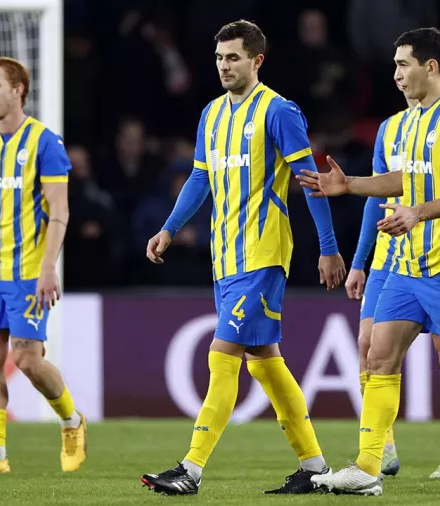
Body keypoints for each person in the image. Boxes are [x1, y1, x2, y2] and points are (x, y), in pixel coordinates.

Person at [301, 28, 440, 498]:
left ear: (431, 66)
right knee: (378, 357)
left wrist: (418, 212)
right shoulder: (402, 123)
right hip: (404, 262)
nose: (395, 75)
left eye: (403, 65)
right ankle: (367, 467)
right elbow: (404, 179)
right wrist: (351, 185)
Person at [141, 20, 347, 496]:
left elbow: (308, 181)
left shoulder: (279, 111)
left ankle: (189, 471)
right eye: (219, 58)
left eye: (233, 57)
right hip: (224, 257)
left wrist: (329, 247)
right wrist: (169, 229)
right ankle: (315, 467)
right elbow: (200, 180)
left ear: (257, 60)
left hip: (263, 252)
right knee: (265, 361)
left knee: (222, 358)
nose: (224, 66)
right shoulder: (211, 115)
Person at [0, 57, 86, 474]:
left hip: (27, 271)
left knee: (27, 359)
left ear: (18, 90)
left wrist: (49, 267)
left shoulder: (46, 143)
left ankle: (71, 421)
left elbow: (60, 211)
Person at [346, 93, 440, 481]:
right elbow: (376, 198)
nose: (399, 76)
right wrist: (358, 261)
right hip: (388, 256)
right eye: (396, 68)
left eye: (405, 66)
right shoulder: (390, 128)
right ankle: (381, 449)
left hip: (436, 247)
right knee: (368, 345)